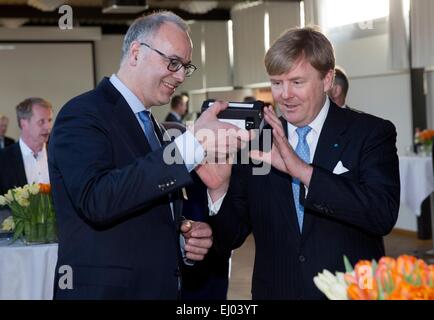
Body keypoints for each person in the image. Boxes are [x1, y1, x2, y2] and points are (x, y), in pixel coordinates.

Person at [48, 11, 249, 300]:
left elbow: (148, 209)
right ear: (135, 53)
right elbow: (98, 199)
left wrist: (184, 242)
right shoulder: (83, 113)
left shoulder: (151, 126)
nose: (180, 75)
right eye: (173, 62)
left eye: (185, 66)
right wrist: (191, 146)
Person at [207, 27, 400, 299]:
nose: (285, 94)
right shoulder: (258, 142)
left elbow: (381, 215)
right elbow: (229, 236)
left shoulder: (369, 133)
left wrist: (303, 172)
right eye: (276, 83)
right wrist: (217, 191)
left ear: (327, 80)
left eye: (297, 82)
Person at [0, 98, 52, 195]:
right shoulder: (3, 159)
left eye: (49, 120)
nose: (48, 127)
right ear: (24, 123)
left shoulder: (58, 155)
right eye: (41, 122)